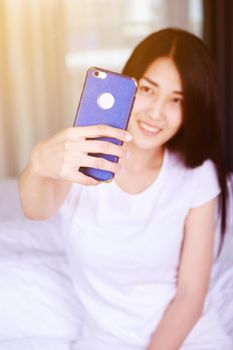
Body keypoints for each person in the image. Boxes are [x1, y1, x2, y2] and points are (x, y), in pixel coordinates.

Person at [19, 28, 232, 350]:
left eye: (177, 100)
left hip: (188, 336)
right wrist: (36, 164)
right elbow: (36, 210)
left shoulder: (196, 176)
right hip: (105, 339)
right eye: (148, 89)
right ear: (128, 85)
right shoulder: (82, 153)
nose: (156, 113)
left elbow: (191, 294)